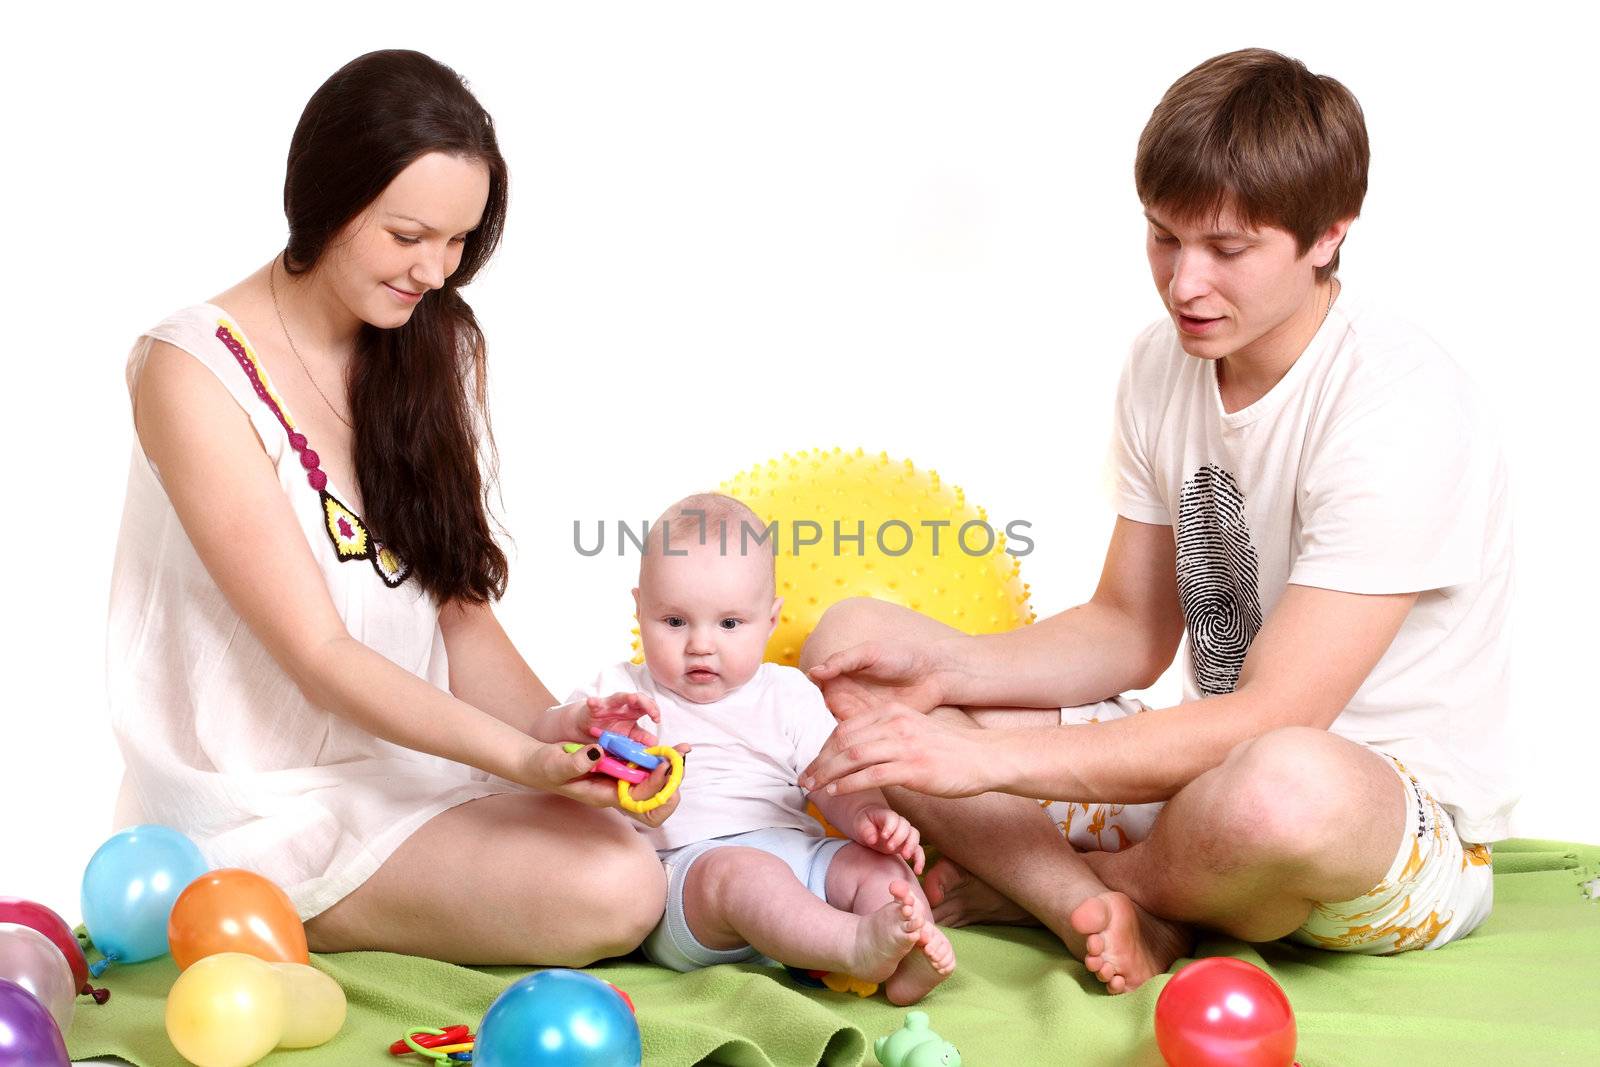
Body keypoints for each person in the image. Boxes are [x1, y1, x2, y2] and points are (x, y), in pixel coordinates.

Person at [797, 47, 1513, 994]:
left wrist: (984, 759)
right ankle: (1100, 905)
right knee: (857, 650)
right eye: (1163, 238)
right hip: (1198, 786)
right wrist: (942, 672)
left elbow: (1275, 719)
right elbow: (1128, 630)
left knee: (1283, 783)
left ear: (1328, 236)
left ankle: (1081, 888)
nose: (1184, 285)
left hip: (1373, 831)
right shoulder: (1163, 361)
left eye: (1228, 248)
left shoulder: (1399, 405)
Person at [106, 49, 667, 965]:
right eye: (408, 235)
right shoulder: (192, 373)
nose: (435, 271)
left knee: (630, 843)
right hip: (264, 800)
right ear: (327, 197)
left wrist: (561, 734)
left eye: (458, 241)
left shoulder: (420, 342)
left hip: (408, 764)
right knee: (615, 886)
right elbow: (322, 657)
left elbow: (459, 615)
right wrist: (519, 764)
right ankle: (251, 898)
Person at [560, 494, 956, 1004]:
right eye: (675, 622)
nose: (701, 644)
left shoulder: (789, 694)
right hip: (691, 880)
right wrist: (576, 723)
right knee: (745, 873)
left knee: (879, 868)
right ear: (640, 610)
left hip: (803, 862)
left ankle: (908, 954)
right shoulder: (620, 693)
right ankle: (854, 943)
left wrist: (867, 817)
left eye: (729, 624)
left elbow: (829, 778)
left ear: (770, 621)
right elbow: (556, 754)